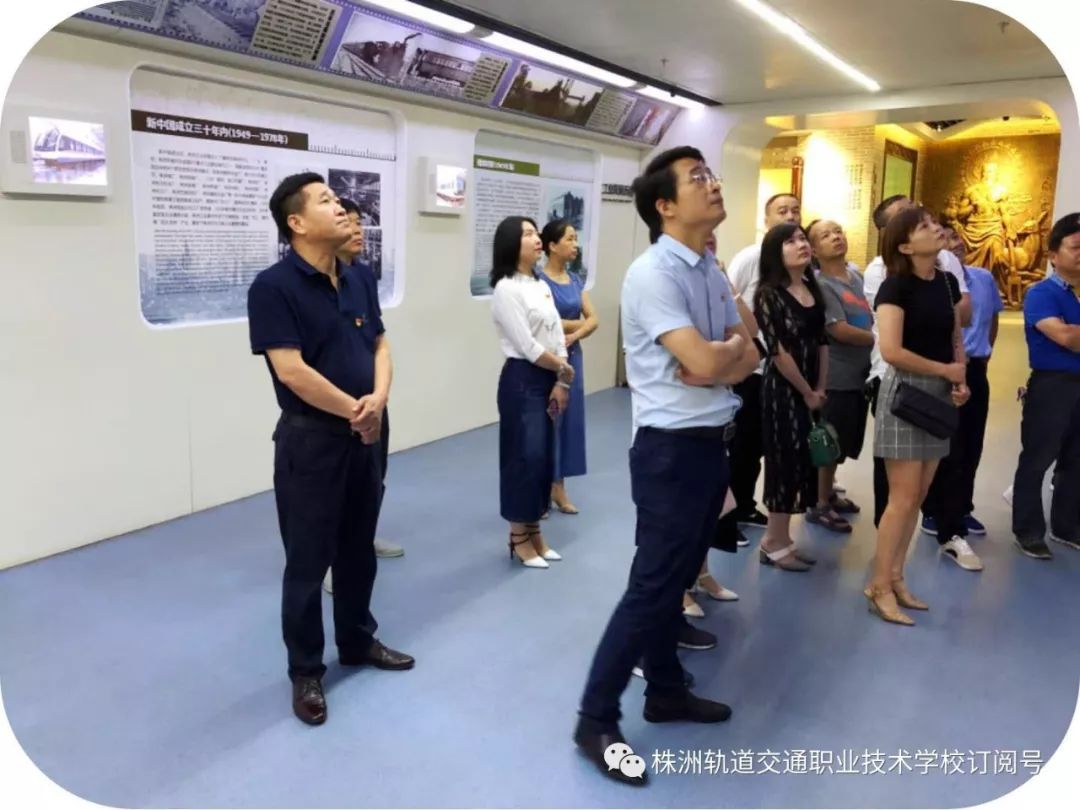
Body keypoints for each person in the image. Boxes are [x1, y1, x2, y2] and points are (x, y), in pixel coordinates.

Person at [574, 146, 759, 787]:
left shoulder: (706, 266)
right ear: (665, 205)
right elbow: (706, 363)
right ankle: (595, 719)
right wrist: (718, 359)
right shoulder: (652, 273)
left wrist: (720, 357)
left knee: (674, 575)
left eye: (711, 174)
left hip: (709, 442)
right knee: (652, 586)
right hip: (670, 451)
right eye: (697, 178)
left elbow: (748, 352)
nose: (713, 184)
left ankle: (666, 691)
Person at [247, 173, 414, 726]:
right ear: (296, 223)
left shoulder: (358, 275)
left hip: (367, 434)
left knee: (357, 548)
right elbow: (291, 371)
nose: (341, 206)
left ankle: (358, 641)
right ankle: (305, 671)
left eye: (337, 199)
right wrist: (355, 411)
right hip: (312, 442)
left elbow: (380, 343)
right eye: (326, 200)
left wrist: (379, 400)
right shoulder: (273, 288)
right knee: (307, 560)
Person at [869, 207, 969, 625]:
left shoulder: (945, 281)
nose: (936, 229)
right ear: (906, 246)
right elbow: (892, 351)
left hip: (940, 392)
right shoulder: (895, 286)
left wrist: (960, 377)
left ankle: (896, 576)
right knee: (903, 497)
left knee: (919, 495)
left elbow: (954, 335)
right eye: (924, 227)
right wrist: (944, 371)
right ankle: (878, 585)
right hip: (906, 394)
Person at [490, 216, 573, 569]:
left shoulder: (539, 284)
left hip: (550, 376)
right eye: (527, 234)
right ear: (511, 242)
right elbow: (527, 346)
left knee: (542, 459)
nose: (536, 237)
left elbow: (555, 334)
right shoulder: (506, 288)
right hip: (522, 380)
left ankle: (535, 530)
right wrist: (563, 369)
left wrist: (562, 378)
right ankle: (518, 536)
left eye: (535, 232)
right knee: (522, 458)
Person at [919, 226, 1003, 571]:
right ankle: (934, 510)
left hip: (976, 368)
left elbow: (993, 318)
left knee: (971, 443)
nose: (953, 244)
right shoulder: (934, 281)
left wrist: (985, 354)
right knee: (945, 445)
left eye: (956, 238)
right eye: (945, 238)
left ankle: (961, 507)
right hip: (945, 370)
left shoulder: (983, 278)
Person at [754, 223, 829, 569]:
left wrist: (821, 387)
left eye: (802, 238)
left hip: (812, 388)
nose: (801, 244)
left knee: (802, 459)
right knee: (783, 460)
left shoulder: (812, 288)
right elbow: (778, 351)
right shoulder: (768, 294)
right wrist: (806, 391)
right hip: (784, 390)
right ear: (775, 252)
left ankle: (783, 539)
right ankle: (772, 540)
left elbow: (822, 341)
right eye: (790, 241)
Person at [726, 193, 802, 528]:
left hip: (782, 369)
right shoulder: (750, 257)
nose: (790, 215)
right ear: (766, 219)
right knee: (742, 442)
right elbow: (728, 298)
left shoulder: (796, 263)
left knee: (762, 443)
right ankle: (728, 515)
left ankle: (745, 505)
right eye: (782, 210)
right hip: (751, 367)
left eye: (795, 210)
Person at [1011, 213, 1080, 559]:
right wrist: (1070, 333)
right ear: (1053, 255)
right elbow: (1066, 337)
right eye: (1076, 247)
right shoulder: (1041, 294)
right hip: (1053, 386)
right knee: (1037, 458)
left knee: (1076, 460)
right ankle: (1027, 530)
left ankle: (1066, 527)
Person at [807, 219, 872, 531]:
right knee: (829, 440)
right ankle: (819, 503)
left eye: (838, 231)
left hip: (858, 375)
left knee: (844, 439)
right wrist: (881, 340)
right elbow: (838, 329)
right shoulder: (821, 285)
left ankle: (829, 494)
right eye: (825, 235)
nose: (835, 237)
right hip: (836, 376)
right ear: (814, 250)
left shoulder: (855, 276)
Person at [539, 219, 597, 515]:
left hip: (573, 357)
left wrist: (574, 334)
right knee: (547, 419)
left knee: (568, 420)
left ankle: (558, 486)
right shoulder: (538, 281)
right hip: (548, 359)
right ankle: (540, 487)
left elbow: (594, 319)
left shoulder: (575, 279)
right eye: (570, 239)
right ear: (552, 245)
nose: (575, 244)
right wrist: (578, 325)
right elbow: (548, 321)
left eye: (576, 238)